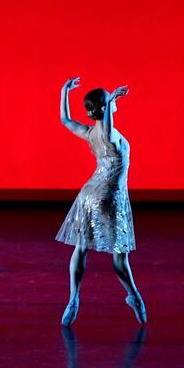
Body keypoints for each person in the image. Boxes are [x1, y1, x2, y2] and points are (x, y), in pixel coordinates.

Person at [56, 77, 146, 325]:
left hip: (88, 194)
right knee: (119, 256)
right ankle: (134, 297)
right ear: (105, 109)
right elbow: (107, 127)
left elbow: (65, 120)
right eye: (109, 102)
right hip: (109, 196)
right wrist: (111, 99)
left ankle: (73, 297)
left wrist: (64, 91)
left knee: (81, 247)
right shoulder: (110, 135)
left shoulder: (89, 133)